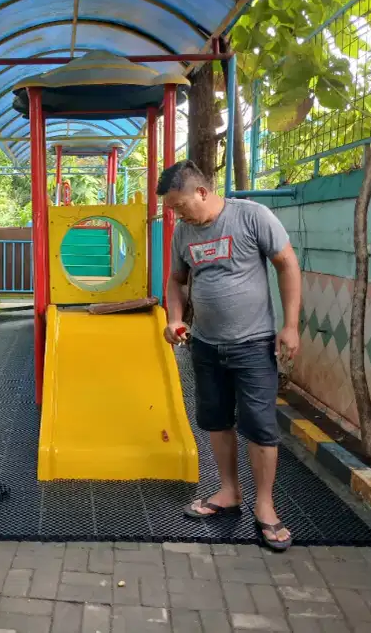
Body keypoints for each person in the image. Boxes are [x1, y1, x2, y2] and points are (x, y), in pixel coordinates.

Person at [157, 160, 301, 552]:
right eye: (171, 209)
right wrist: (174, 319)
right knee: (216, 420)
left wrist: (290, 325)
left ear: (201, 192)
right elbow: (176, 279)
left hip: (252, 344)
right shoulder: (183, 233)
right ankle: (228, 492)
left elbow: (287, 264)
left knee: (260, 426)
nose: (177, 214)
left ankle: (266, 506)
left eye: (179, 204)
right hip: (204, 344)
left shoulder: (252, 217)